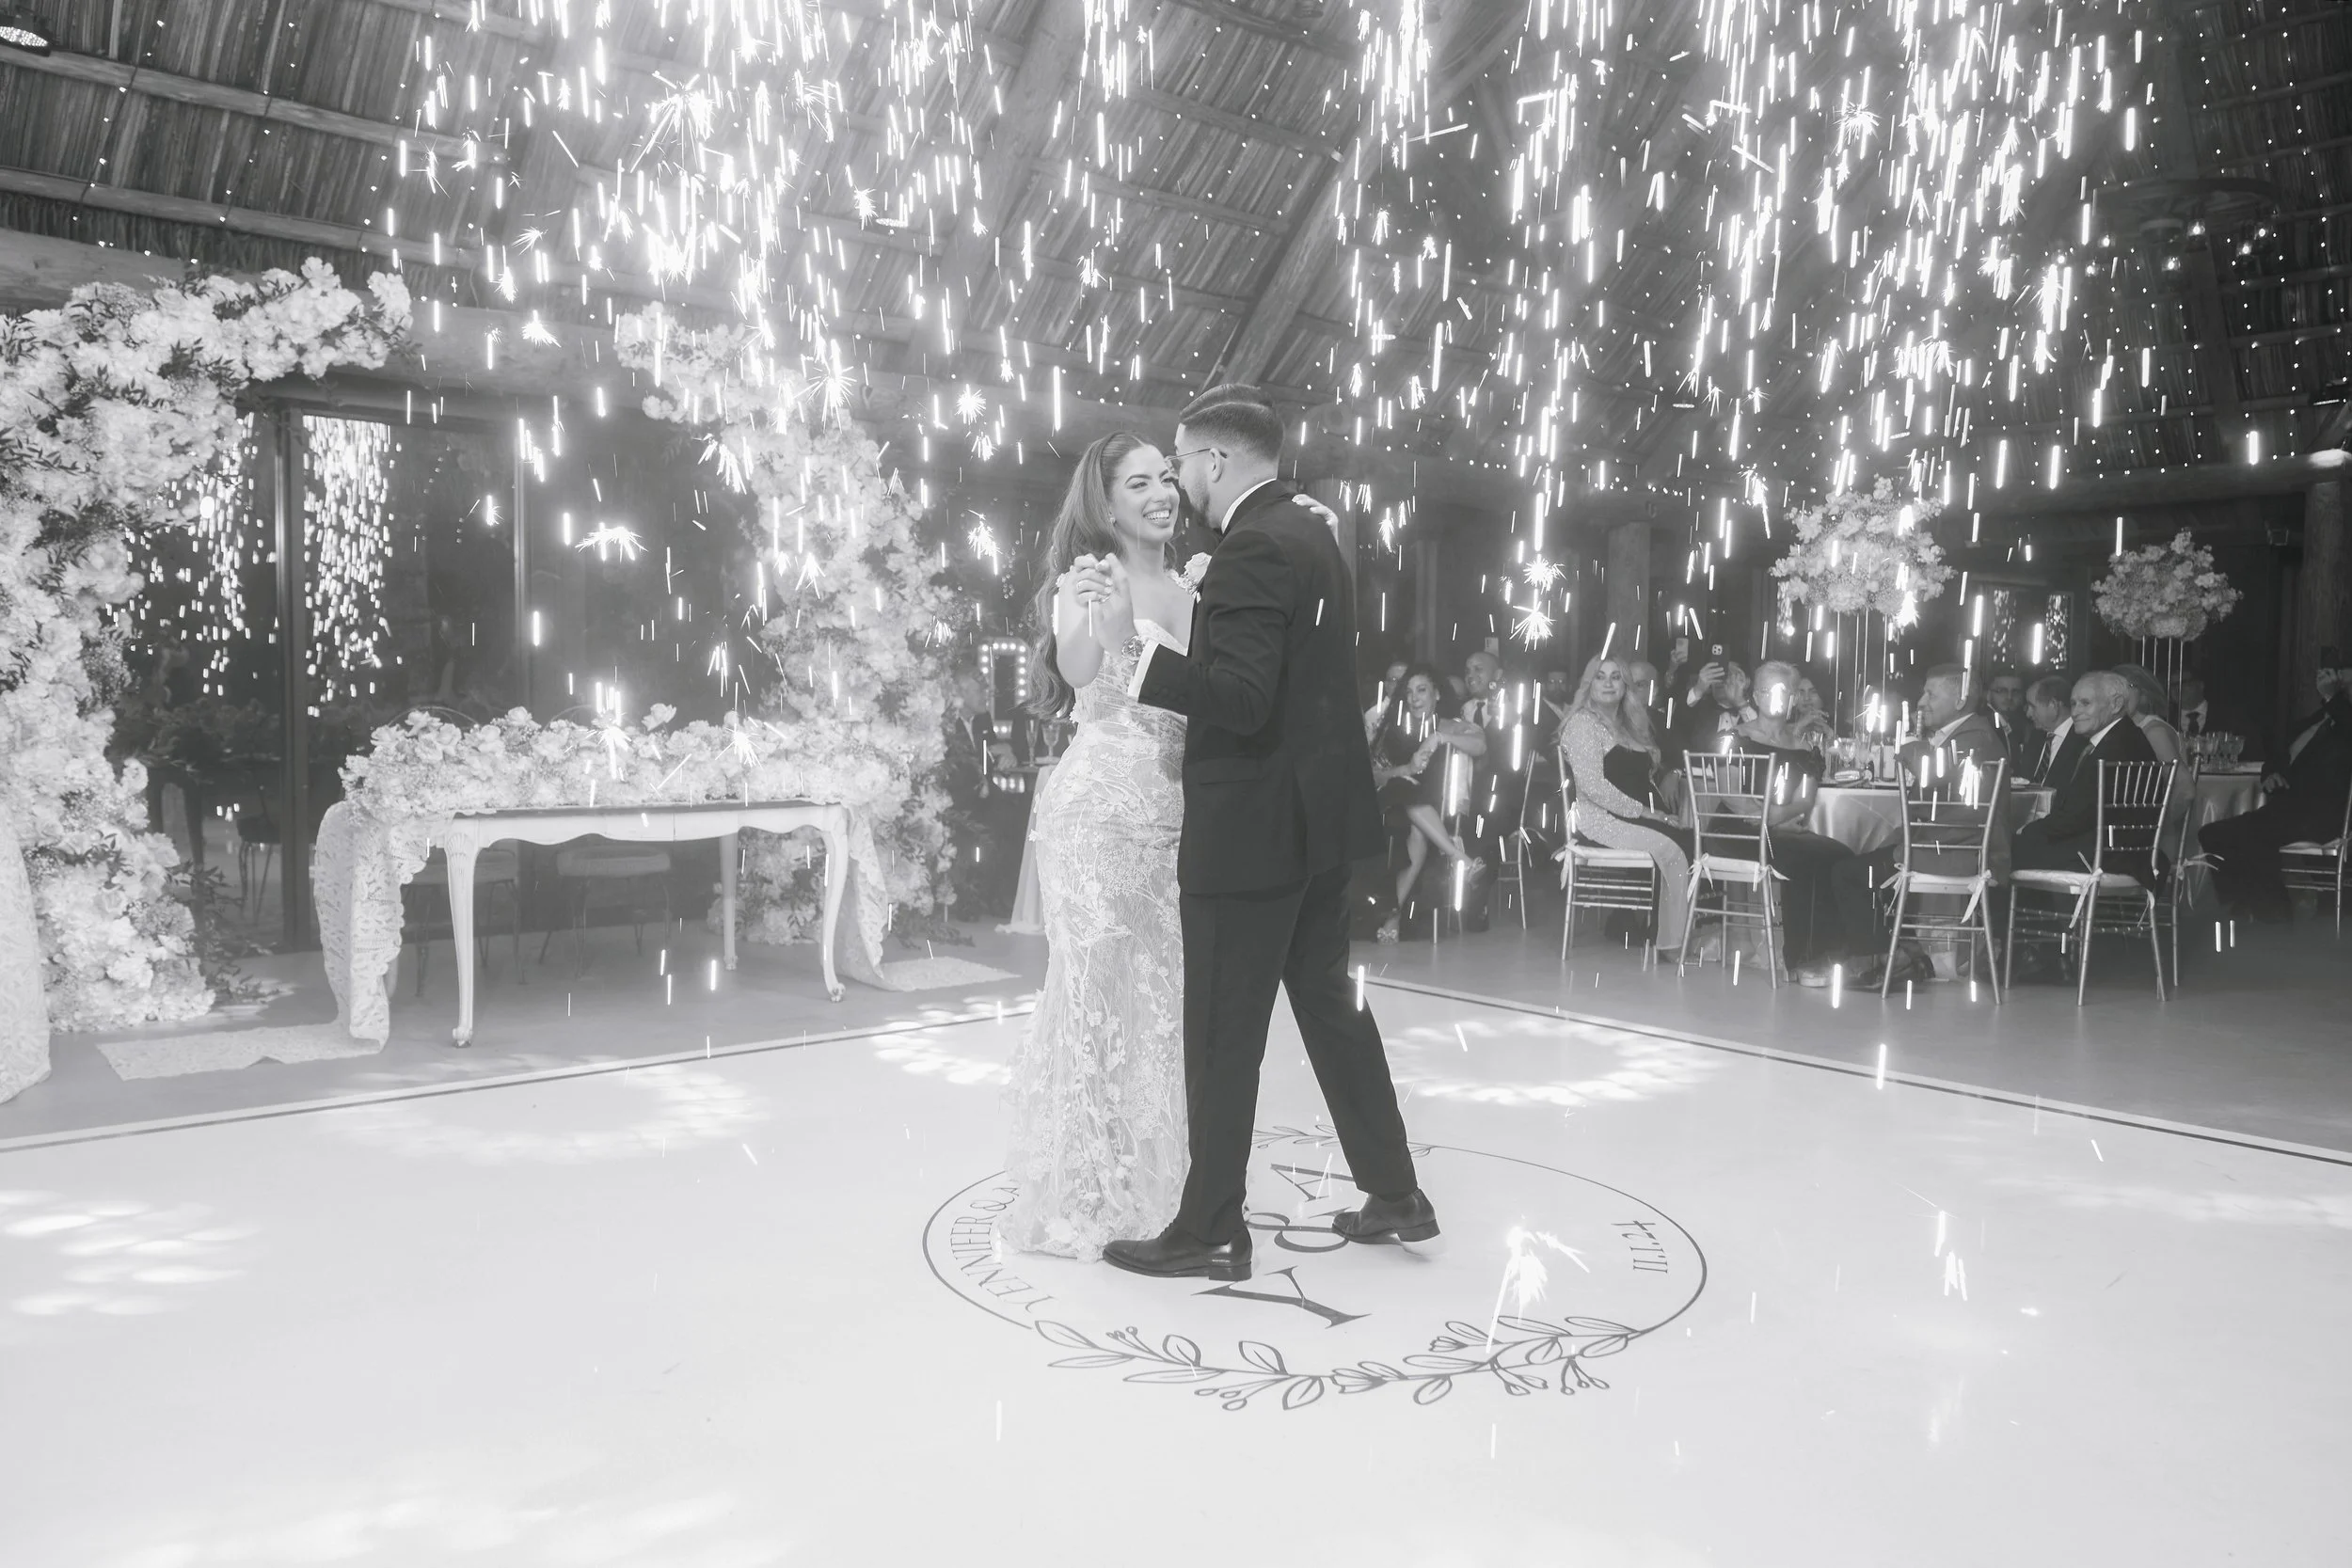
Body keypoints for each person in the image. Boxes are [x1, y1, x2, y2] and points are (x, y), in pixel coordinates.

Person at [1086, 384, 1435, 1282]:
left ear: (1215, 459)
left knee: (1222, 1034)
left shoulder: (1252, 549)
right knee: (1332, 1010)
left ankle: (1210, 1228)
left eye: (1181, 462)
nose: (1179, 482)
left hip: (1251, 832)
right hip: (1318, 825)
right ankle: (1396, 1192)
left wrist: (1135, 651)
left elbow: (1240, 701)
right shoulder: (1311, 531)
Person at [997, 433, 1193, 1259]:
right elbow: (1079, 672)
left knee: (1157, 996)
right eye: (1139, 482)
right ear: (1106, 502)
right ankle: (1085, 1186)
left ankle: (1155, 1178)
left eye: (1168, 477)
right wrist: (1098, 618)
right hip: (1095, 813)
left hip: (1174, 817)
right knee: (1091, 993)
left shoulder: (1195, 585)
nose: (1161, 493)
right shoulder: (1090, 579)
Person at [1804, 663, 2010, 989]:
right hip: (1944, 844)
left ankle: (1877, 962)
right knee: (1861, 861)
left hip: (1956, 851)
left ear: (1960, 700)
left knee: (1849, 873)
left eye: (1931, 694)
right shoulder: (1965, 735)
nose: (1921, 702)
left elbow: (1933, 773)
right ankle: (1896, 953)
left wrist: (1911, 745)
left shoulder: (1975, 738)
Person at [1558, 654, 1695, 957]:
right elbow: (1593, 788)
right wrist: (1647, 813)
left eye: (1616, 677)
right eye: (1600, 676)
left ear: (1625, 686)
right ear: (1589, 684)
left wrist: (1658, 805)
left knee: (1691, 841)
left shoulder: (1630, 723)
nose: (1608, 683)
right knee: (1673, 848)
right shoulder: (1583, 724)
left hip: (1637, 816)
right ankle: (1668, 942)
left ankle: (1668, 931)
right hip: (1601, 821)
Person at [2200, 654, 2352, 923]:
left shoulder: (2344, 722)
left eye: (2341, 675)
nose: (2334, 679)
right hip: (2287, 809)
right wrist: (2271, 773)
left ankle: (2273, 917)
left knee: (2253, 838)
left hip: (2324, 815)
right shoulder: (2318, 719)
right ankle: (2249, 905)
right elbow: (2279, 754)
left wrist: (2332, 697)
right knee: (2212, 834)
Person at [1738, 662, 1866, 974]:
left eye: (1784, 691)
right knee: (1802, 858)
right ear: (1756, 696)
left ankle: (1834, 950)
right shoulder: (1737, 737)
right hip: (1738, 830)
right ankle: (1800, 957)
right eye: (1768, 690)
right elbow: (1729, 796)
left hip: (1781, 829)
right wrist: (1772, 821)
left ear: (1793, 698)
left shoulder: (1804, 747)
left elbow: (1805, 799)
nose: (1776, 697)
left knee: (1840, 855)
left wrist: (1778, 819)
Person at [1368, 664, 1487, 942]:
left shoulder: (1448, 725)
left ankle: (1393, 915)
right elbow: (1374, 776)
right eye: (1409, 692)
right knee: (1405, 788)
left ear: (1437, 694)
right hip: (1389, 810)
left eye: (1421, 690)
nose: (1414, 698)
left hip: (1433, 816)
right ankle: (1458, 858)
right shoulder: (1394, 729)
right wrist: (1407, 769)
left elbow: (1480, 745)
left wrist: (1438, 738)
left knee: (1418, 829)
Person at [2011, 672, 2160, 878]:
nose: (2075, 712)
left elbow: (2077, 815)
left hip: (2105, 856)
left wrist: (2027, 830)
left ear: (2116, 704)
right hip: (2119, 851)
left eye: (2085, 703)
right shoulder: (2123, 737)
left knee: (2000, 851)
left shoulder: (2115, 747)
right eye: (2073, 704)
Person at [2112, 663, 2185, 768]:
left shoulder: (2154, 732)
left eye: (2127, 686)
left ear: (2143, 692)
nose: (2118, 695)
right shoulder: (2120, 729)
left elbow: (2179, 777)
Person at [2022, 673, 2074, 784]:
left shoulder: (2082, 741)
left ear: (2053, 705)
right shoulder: (2036, 737)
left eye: (2032, 707)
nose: (2028, 714)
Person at [1984, 667, 2035, 762]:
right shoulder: (1984, 723)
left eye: (2015, 692)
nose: (2009, 697)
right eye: (2001, 691)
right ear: (1988, 694)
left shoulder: (2022, 725)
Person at [1362, 657, 1409, 742]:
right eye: (1394, 680)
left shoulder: (1416, 711)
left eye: (1404, 680)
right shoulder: (1374, 715)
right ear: (1386, 685)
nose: (1400, 685)